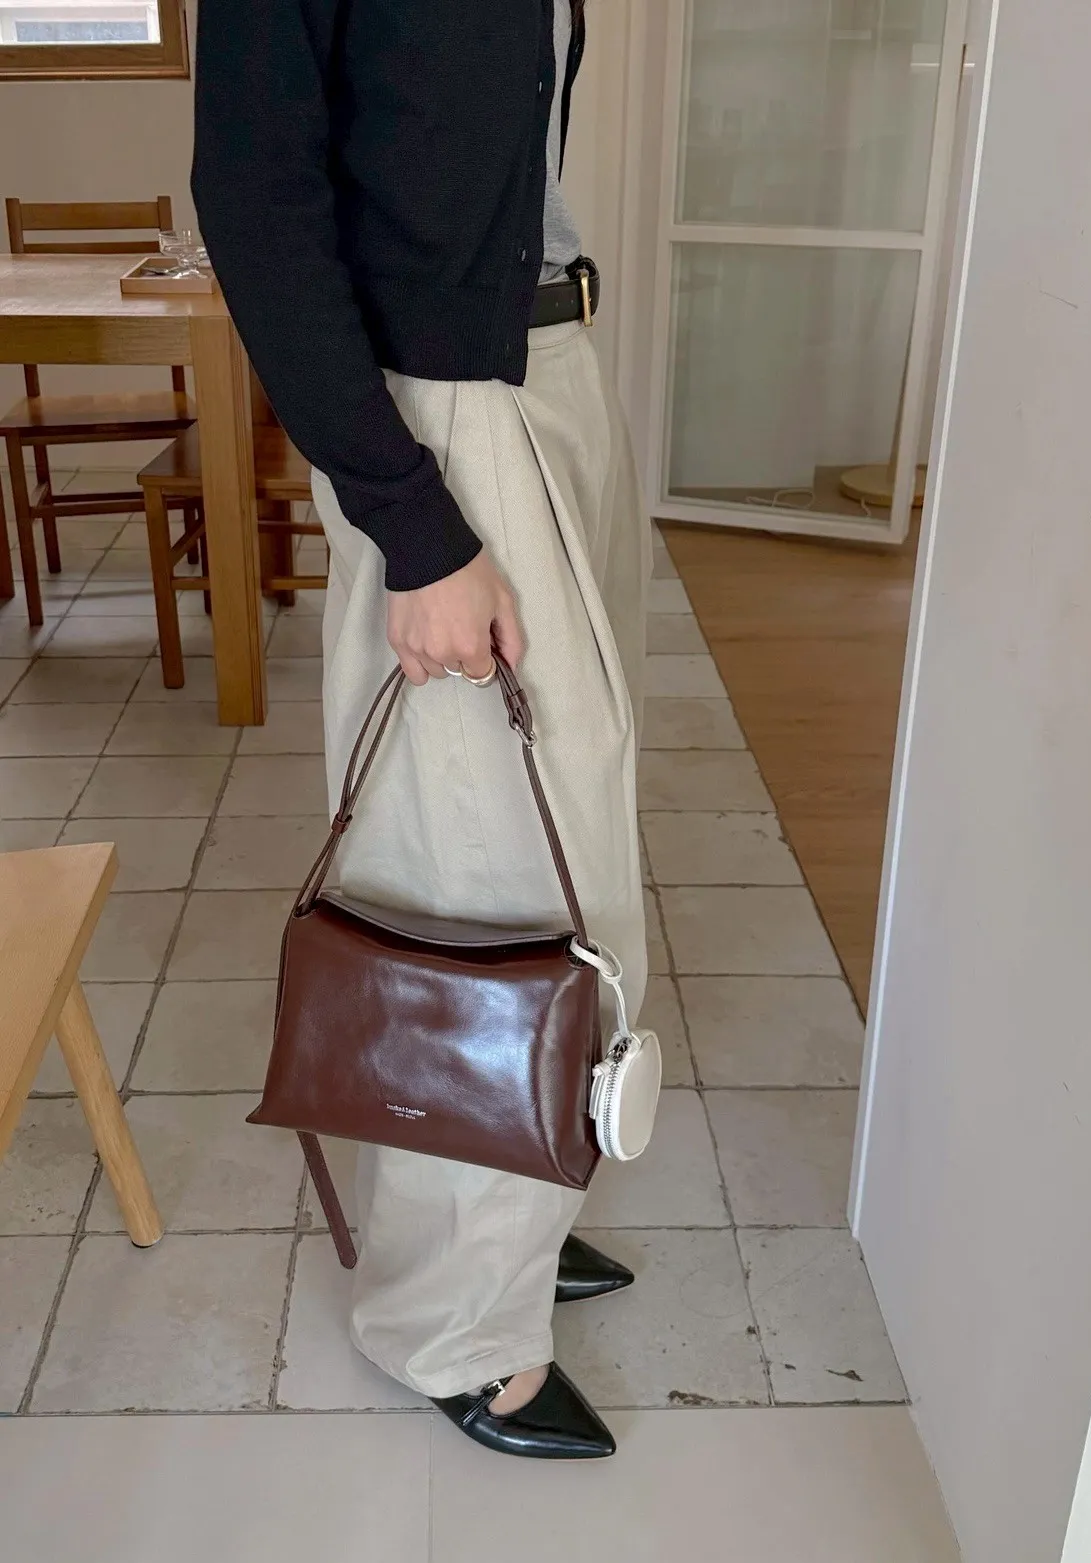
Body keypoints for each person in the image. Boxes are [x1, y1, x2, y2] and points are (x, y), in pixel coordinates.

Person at [191, 0, 649, 1460]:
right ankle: (454, 1326)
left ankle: (515, 1212)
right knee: (486, 882)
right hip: (448, 418)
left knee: (568, 848)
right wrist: (410, 516)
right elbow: (257, 199)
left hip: (550, 372)